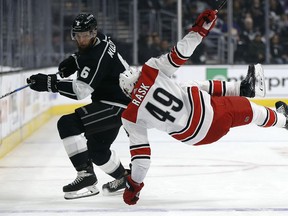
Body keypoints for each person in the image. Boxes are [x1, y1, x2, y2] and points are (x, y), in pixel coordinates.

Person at [118, 9, 288, 205]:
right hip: (211, 115)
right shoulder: (150, 69)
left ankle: (243, 88)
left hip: (194, 137)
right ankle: (283, 119)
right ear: (137, 75)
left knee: (187, 88)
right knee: (249, 108)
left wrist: (134, 186)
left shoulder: (129, 117)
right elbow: (180, 53)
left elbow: (142, 157)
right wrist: (200, 30)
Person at [27, 13, 131, 199]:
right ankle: (124, 179)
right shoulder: (101, 40)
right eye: (78, 35)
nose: (82, 40)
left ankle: (86, 176)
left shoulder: (97, 55)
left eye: (86, 35)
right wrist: (75, 60)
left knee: (67, 124)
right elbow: (86, 56)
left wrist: (50, 83)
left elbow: (81, 90)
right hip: (116, 102)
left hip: (117, 105)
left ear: (93, 33)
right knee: (97, 151)